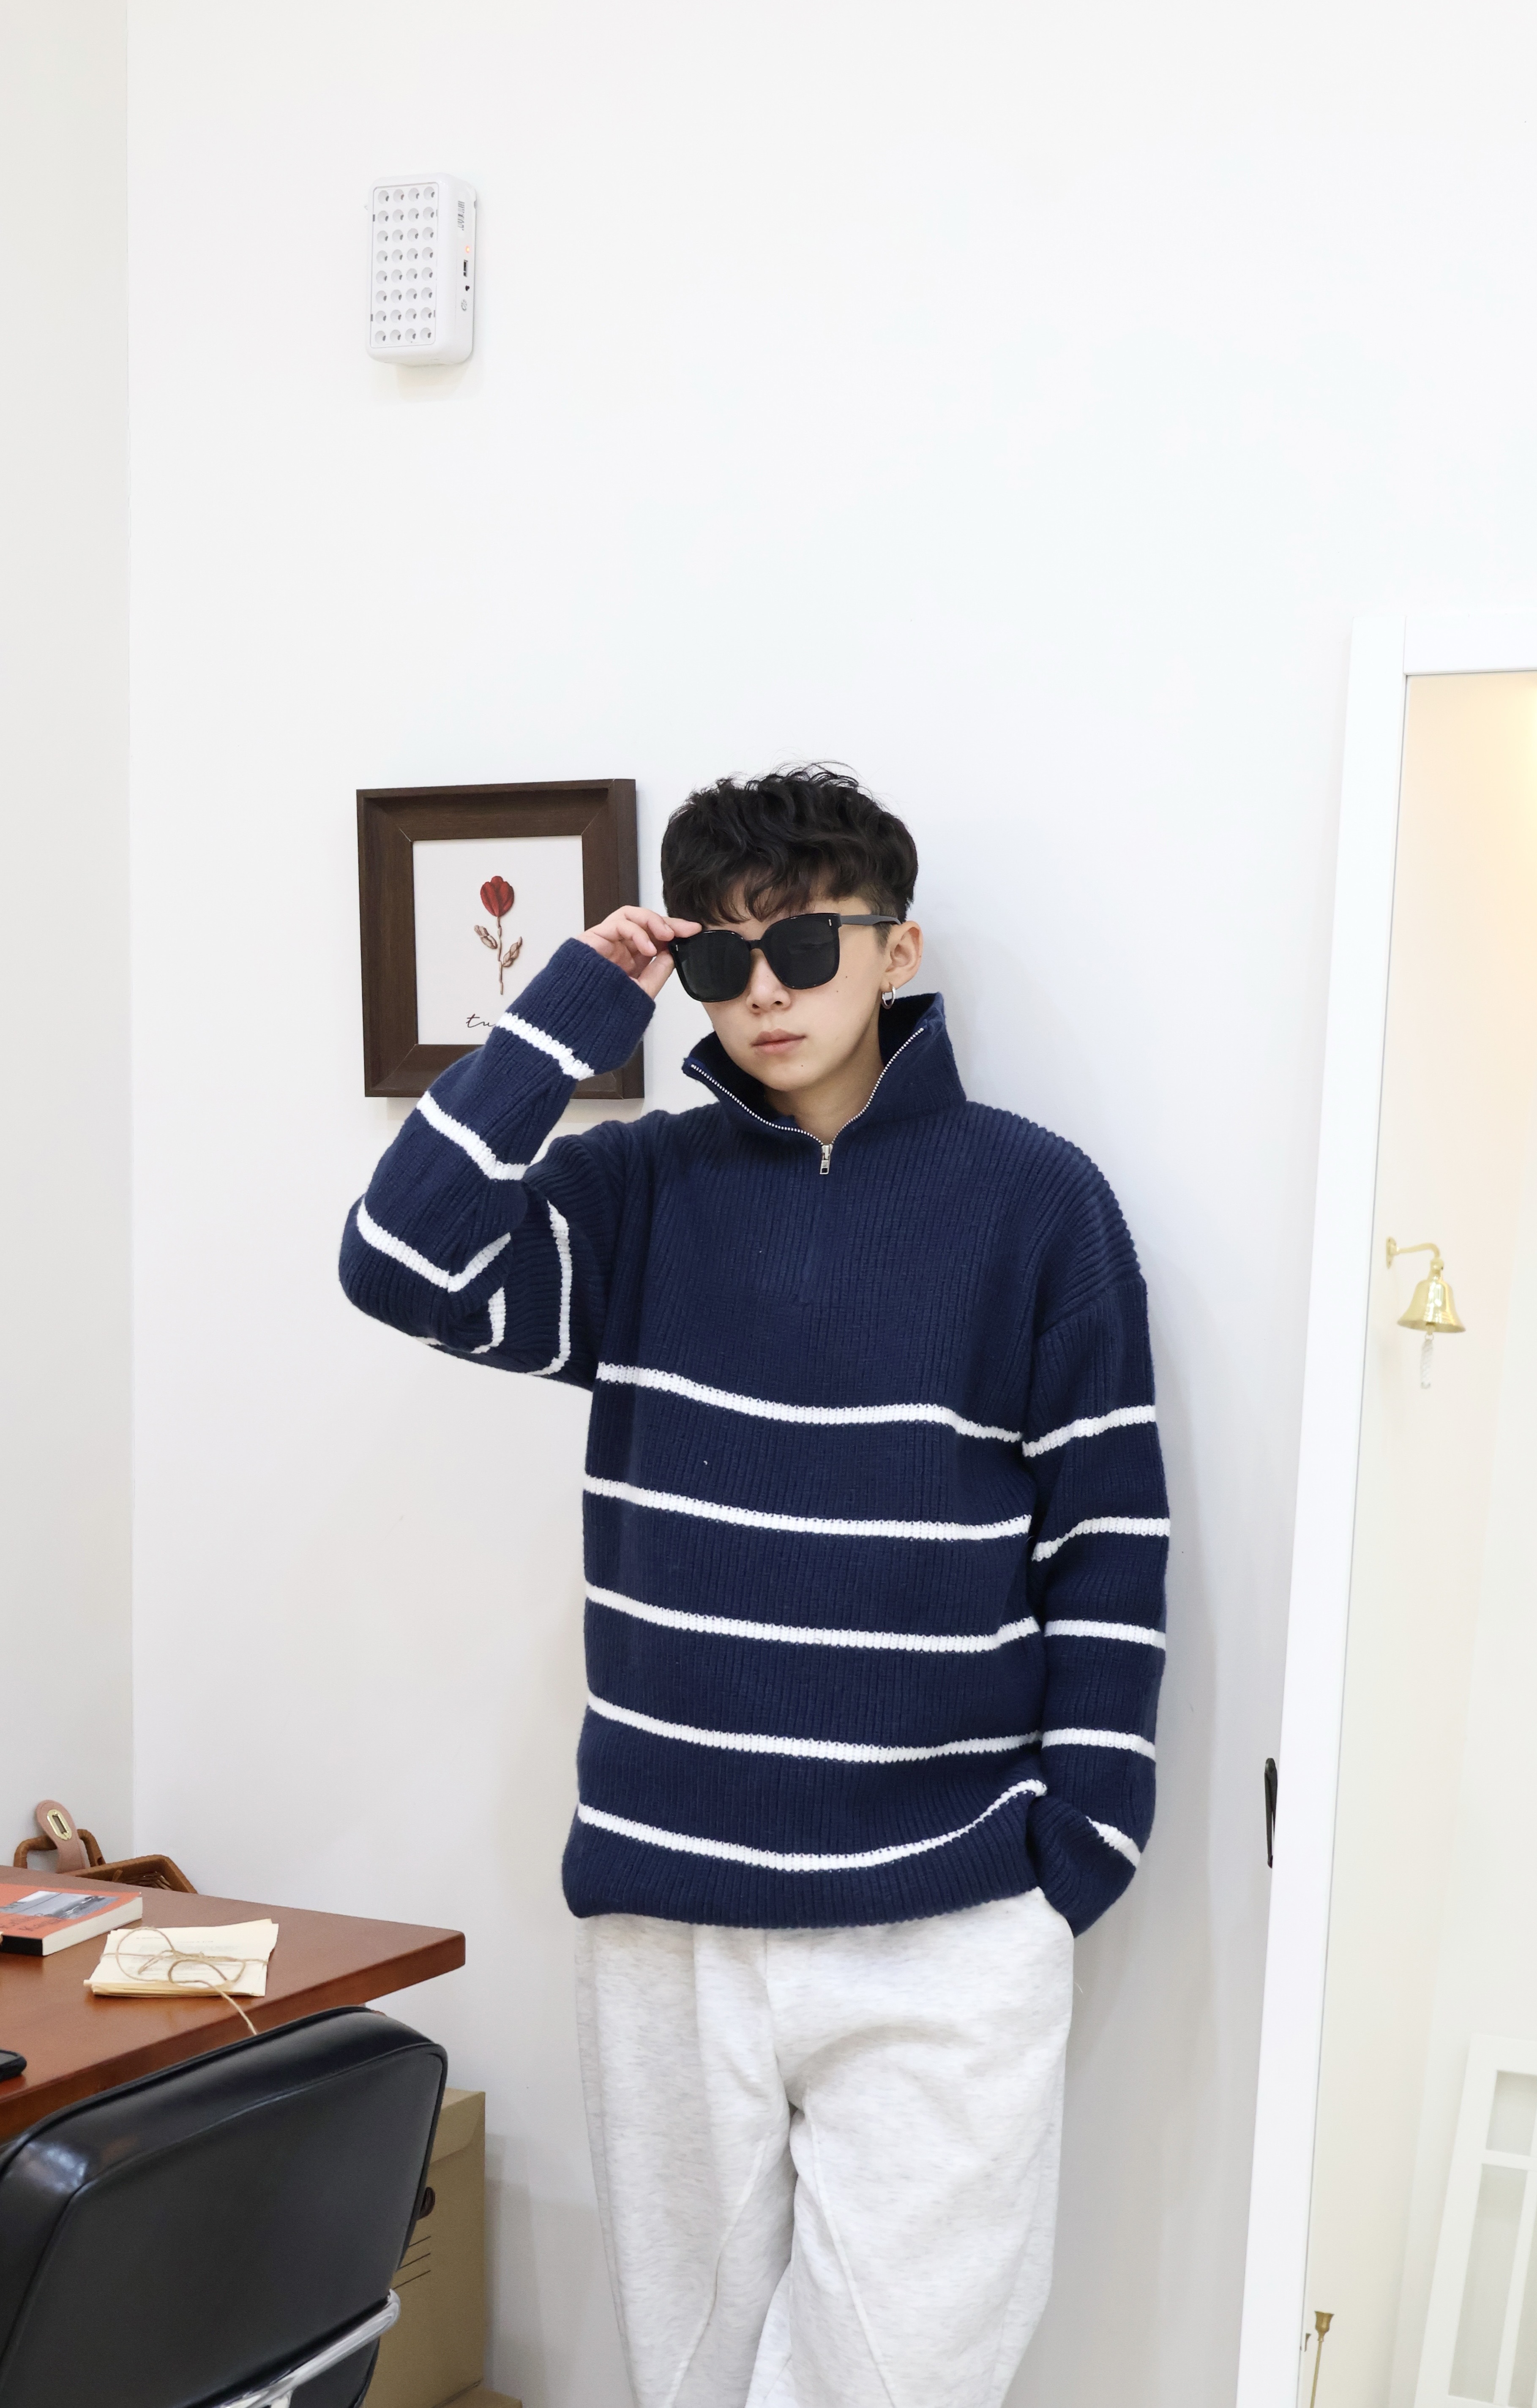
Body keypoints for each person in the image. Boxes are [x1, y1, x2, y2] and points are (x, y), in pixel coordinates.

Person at [340, 765, 1168, 2408]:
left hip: (946, 1914)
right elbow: (400, 1261)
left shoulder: (1037, 1203)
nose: (764, 991)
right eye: (720, 959)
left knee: (902, 2376)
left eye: (801, 946)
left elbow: (1108, 1537)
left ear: (895, 948)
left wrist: (1078, 1847)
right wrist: (573, 1008)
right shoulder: (640, 1190)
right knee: (692, 2376)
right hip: (673, 1914)